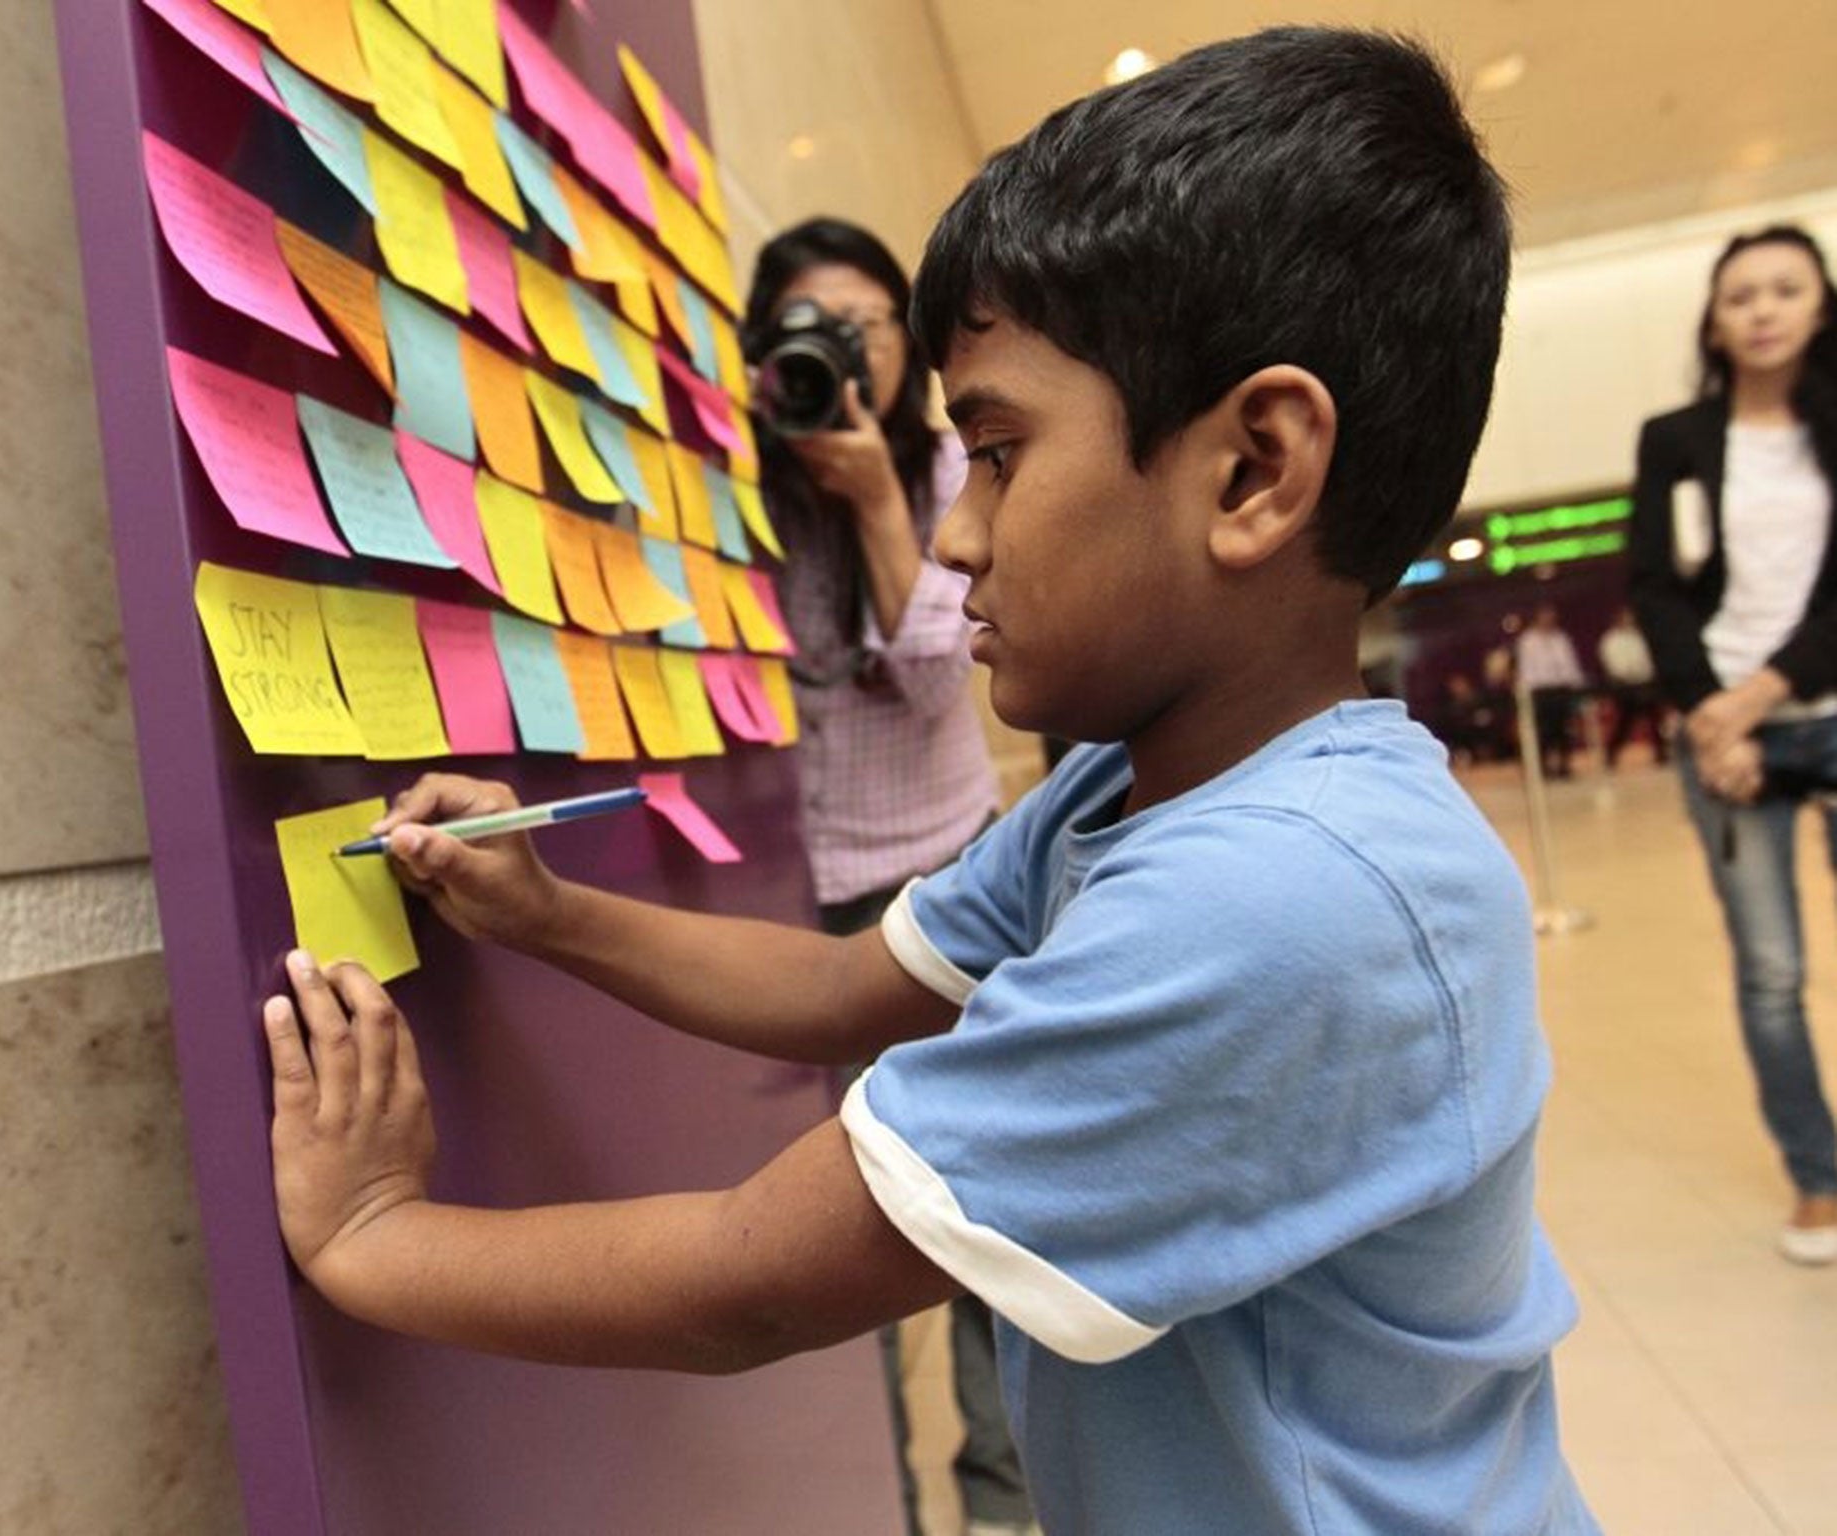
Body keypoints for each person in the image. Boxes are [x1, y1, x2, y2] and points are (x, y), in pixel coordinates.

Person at [259, 30, 1597, 1533]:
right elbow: (842, 991)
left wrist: (379, 1236)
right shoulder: (1132, 788)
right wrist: (546, 911)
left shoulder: (1281, 895)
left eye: (1002, 455)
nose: (957, 539)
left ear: (1253, 471)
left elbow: (750, 1281)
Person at [742, 218, 1025, 1536]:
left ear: (906, 345)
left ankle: (1006, 1507)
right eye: (811, 329)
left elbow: (935, 671)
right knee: (834, 1238)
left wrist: (867, 496)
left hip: (947, 880)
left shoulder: (949, 467)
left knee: (976, 1214)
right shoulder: (730, 490)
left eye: (866, 326)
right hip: (798, 914)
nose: (839, 353)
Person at [1629, 223, 1837, 1266]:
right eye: (1739, 293)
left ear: (1819, 305)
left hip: (1815, 707)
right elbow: (1653, 590)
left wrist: (1751, 700)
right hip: (1718, 731)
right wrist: (1710, 720)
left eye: (1783, 289)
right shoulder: (1674, 437)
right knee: (1767, 972)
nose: (1760, 309)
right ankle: (1817, 1179)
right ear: (1713, 317)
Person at [1515, 601, 1587, 777]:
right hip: (1541, 692)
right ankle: (1543, 768)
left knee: (1563, 731)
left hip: (1561, 689)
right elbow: (1527, 668)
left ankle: (1564, 765)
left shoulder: (1561, 638)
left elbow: (1570, 664)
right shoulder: (1528, 641)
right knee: (1544, 732)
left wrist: (1576, 683)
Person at [1597, 605, 1670, 767]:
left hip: (1644, 682)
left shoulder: (1640, 637)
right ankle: (1611, 755)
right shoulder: (1611, 640)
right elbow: (1613, 663)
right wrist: (1626, 675)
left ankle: (1661, 753)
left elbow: (1648, 659)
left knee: (1654, 720)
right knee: (1624, 722)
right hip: (1625, 685)